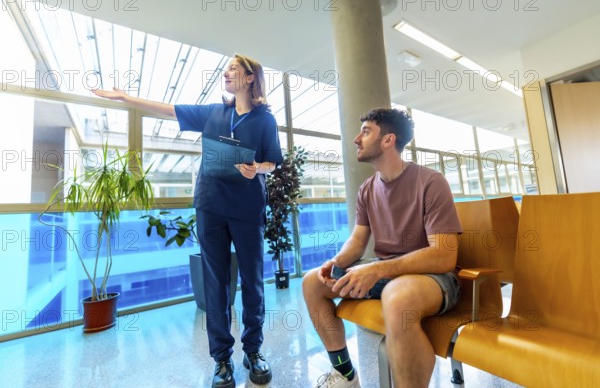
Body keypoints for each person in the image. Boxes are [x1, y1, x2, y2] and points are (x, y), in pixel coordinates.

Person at [93, 54, 282, 388]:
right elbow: (168, 109)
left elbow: (273, 163)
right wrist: (126, 98)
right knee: (216, 284)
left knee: (252, 282)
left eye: (234, 70)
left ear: (251, 78)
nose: (227, 73)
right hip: (211, 205)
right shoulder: (214, 113)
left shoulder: (264, 120)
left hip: (248, 208)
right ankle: (222, 359)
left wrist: (258, 169)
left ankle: (253, 352)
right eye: (227, 69)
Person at [302, 108, 462, 388]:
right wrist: (336, 261)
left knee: (397, 297)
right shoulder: (366, 189)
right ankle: (345, 374)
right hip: (387, 274)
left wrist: (378, 269)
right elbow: (358, 239)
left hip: (432, 277)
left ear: (388, 140)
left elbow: (445, 255)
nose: (356, 139)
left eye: (365, 132)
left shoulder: (431, 182)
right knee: (311, 283)